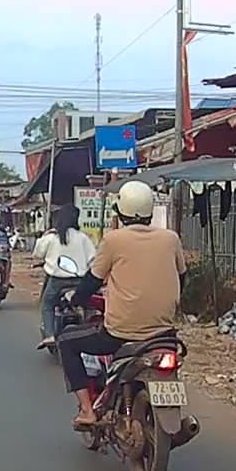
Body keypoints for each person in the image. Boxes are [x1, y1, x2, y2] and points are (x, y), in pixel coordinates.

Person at [56, 181, 187, 429]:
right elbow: (181, 278)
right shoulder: (171, 238)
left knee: (66, 341)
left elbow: (92, 281)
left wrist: (75, 299)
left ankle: (87, 411)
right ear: (149, 211)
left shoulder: (113, 240)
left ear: (120, 211)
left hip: (120, 333)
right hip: (164, 334)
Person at [33, 204, 98, 344]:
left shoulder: (52, 237)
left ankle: (50, 335)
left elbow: (38, 253)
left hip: (57, 281)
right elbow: (93, 259)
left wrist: (44, 236)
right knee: (89, 305)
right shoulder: (83, 238)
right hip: (79, 281)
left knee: (47, 305)